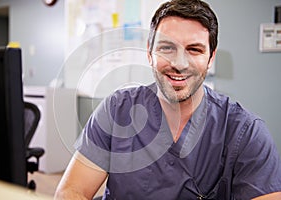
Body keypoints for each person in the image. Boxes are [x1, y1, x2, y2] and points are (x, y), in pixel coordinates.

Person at [54, 0, 281, 199]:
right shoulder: (117, 110)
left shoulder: (246, 132)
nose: (180, 63)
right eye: (166, 48)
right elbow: (70, 192)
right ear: (149, 53)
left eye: (194, 50)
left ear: (210, 58)